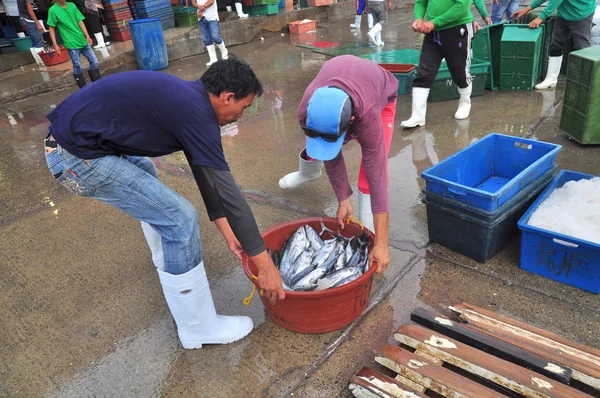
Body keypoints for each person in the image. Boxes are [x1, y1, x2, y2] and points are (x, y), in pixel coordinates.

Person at [43, 58, 285, 350]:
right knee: (180, 220)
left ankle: (168, 262)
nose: (240, 115)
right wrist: (265, 264)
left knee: (146, 171)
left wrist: (226, 229)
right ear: (227, 97)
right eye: (243, 107)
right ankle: (198, 327)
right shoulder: (195, 113)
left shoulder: (190, 101)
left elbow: (204, 171)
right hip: (74, 158)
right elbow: (228, 192)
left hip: (79, 143)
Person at [282, 55, 398, 274]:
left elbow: (378, 175)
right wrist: (343, 199)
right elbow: (330, 155)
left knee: (368, 176)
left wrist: (382, 243)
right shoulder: (308, 109)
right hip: (342, 87)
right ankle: (307, 172)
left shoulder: (368, 115)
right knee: (321, 146)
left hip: (380, 97)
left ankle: (370, 236)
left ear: (352, 121)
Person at [401, 0, 475, 128]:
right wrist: (418, 18)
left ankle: (465, 102)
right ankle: (417, 116)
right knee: (424, 71)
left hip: (457, 29)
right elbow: (421, 2)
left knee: (459, 71)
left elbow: (462, 6)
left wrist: (434, 22)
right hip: (433, 32)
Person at [511, 0, 596, 89]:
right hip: (564, 14)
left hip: (582, 13)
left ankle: (583, 82)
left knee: (581, 48)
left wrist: (540, 17)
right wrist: (527, 9)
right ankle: (551, 79)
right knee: (555, 45)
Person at [47, 0, 101, 88]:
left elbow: (80, 21)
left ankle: (97, 84)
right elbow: (51, 27)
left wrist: (87, 35)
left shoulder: (72, 5)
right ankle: (83, 89)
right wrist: (55, 44)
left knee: (94, 61)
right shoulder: (53, 10)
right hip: (71, 42)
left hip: (81, 39)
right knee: (77, 65)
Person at [192, 0, 228, 67]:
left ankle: (224, 51)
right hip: (201, 17)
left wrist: (200, 10)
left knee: (215, 36)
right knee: (206, 39)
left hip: (212, 16)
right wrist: (198, 6)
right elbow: (193, 2)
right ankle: (213, 58)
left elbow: (211, 1)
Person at [17, 0, 46, 65]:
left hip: (24, 18)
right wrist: (38, 23)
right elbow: (29, 9)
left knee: (34, 42)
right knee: (38, 41)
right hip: (29, 20)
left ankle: (39, 61)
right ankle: (42, 61)